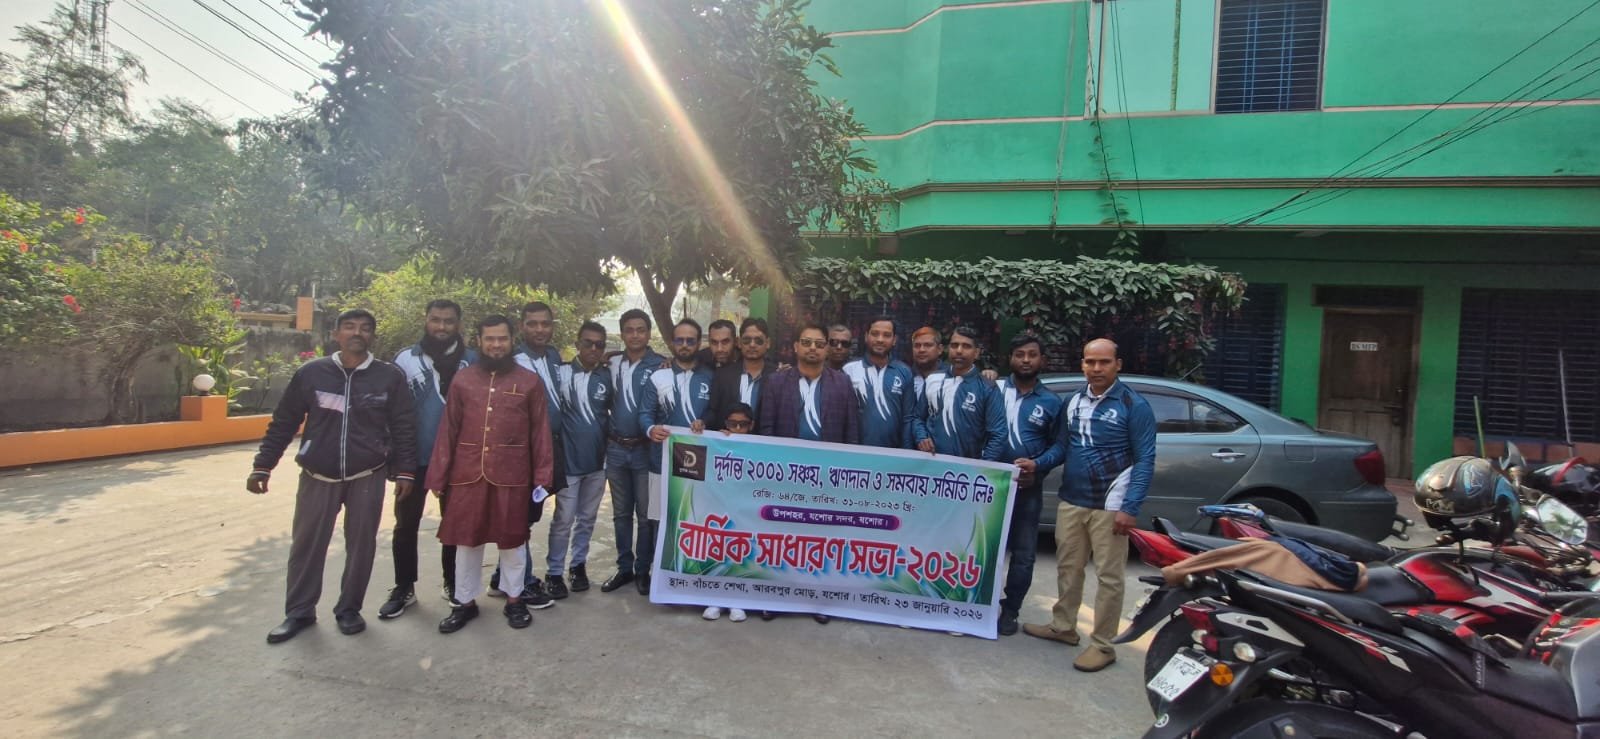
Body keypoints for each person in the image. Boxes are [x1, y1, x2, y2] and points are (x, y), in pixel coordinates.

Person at [249, 309, 417, 644]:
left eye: (365, 328)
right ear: (335, 334)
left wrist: (406, 471)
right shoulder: (312, 373)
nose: (357, 333)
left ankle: (349, 609)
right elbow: (284, 421)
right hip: (318, 473)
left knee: (361, 546)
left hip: (367, 473)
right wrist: (263, 464)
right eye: (349, 327)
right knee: (307, 545)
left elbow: (403, 426)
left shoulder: (389, 377)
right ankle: (299, 612)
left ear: (373, 336)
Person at [1023, 338, 1156, 672]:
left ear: (1117, 365)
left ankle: (1103, 645)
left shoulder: (1133, 405)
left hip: (1110, 505)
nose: (1096, 368)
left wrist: (1130, 507)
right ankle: (1064, 627)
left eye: (1104, 362)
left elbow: (1145, 460)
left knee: (1109, 577)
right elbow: (1062, 447)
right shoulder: (1074, 401)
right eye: (1090, 362)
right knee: (1068, 567)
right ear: (1082, 364)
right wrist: (1037, 464)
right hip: (1072, 500)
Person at [427, 315, 557, 633]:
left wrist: (543, 476)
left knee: (512, 541)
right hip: (467, 473)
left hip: (513, 474)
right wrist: (438, 475)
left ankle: (514, 600)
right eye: (490, 339)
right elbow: (448, 429)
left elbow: (540, 433)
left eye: (502, 339)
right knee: (466, 542)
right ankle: (464, 602)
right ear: (479, 341)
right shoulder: (463, 380)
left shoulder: (529, 382)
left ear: (512, 341)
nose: (496, 345)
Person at [380, 299, 475, 620]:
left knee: (454, 526)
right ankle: (403, 587)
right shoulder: (405, 359)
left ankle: (453, 583)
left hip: (458, 461)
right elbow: (392, 414)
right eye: (436, 320)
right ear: (426, 320)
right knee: (406, 525)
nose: (442, 327)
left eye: (449, 321)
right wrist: (398, 463)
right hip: (414, 460)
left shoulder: (473, 361)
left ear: (458, 324)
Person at [759, 323, 860, 624]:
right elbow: (766, 429)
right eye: (806, 342)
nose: (813, 348)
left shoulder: (842, 383)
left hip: (828, 477)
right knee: (782, 538)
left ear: (827, 348)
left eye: (819, 343)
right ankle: (775, 598)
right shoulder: (777, 382)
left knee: (821, 539)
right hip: (786, 474)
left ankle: (818, 600)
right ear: (796, 347)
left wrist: (848, 472)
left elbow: (852, 432)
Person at [994, 333, 1066, 636]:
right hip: (989, 488)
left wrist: (1038, 465)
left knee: (1023, 555)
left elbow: (1060, 446)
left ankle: (1010, 610)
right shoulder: (993, 390)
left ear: (1042, 360)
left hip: (1027, 489)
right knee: (982, 547)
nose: (1025, 360)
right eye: (1019, 354)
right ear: (1010, 358)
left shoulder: (1052, 402)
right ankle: (978, 604)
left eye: (1032, 355)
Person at [640, 318, 716, 595]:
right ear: (672, 343)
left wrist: (706, 422)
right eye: (680, 340)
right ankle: (659, 577)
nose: (685, 345)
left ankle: (691, 577)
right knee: (661, 520)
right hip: (661, 460)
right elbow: (645, 413)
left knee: (695, 519)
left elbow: (716, 411)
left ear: (698, 343)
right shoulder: (658, 376)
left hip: (700, 463)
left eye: (690, 340)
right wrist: (650, 429)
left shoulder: (711, 376)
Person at [545, 321, 612, 598]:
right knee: (563, 520)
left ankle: (578, 566)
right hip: (569, 464)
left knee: (587, 519)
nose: (594, 349)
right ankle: (554, 572)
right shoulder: (560, 374)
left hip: (598, 463)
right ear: (577, 344)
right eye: (588, 343)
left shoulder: (608, 376)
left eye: (599, 345)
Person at [503, 301, 564, 607]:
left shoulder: (553, 356)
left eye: (545, 323)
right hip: (521, 452)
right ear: (521, 326)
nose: (540, 329)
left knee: (531, 513)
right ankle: (523, 583)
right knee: (519, 517)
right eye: (532, 323)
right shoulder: (513, 362)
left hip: (549, 447)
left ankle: (502, 576)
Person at [601, 309, 666, 594]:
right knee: (620, 514)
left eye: (641, 329)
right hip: (615, 448)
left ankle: (643, 570)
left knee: (645, 515)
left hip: (644, 450)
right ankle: (624, 568)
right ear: (622, 333)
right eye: (629, 330)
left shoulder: (661, 365)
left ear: (649, 333)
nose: (635, 335)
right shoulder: (612, 363)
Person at [913, 326, 1005, 461]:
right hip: (931, 465)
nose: (959, 351)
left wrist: (984, 467)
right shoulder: (933, 379)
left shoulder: (987, 387)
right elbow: (917, 417)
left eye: (966, 346)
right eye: (954, 345)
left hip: (969, 468)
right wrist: (921, 437)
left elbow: (998, 434)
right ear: (948, 349)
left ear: (976, 353)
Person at [699, 401, 755, 623]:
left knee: (741, 553)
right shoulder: (718, 442)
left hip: (746, 512)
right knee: (718, 550)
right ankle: (715, 600)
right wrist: (717, 439)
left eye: (743, 425)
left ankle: (737, 601)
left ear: (752, 425)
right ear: (725, 423)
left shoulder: (760, 446)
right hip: (719, 510)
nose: (738, 429)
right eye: (733, 424)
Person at [842, 315, 916, 449]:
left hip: (892, 454)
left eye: (886, 335)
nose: (880, 339)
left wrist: (906, 453)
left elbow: (908, 418)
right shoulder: (849, 370)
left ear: (894, 340)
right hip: (854, 452)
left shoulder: (904, 372)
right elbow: (841, 415)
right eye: (875, 334)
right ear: (866, 337)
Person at [707, 317, 776, 431]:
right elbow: (713, 411)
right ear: (739, 343)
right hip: (729, 440)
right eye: (747, 340)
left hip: (764, 440)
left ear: (767, 343)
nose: (752, 345)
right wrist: (703, 423)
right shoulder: (723, 375)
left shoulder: (778, 377)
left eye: (758, 340)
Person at [909, 326, 949, 403]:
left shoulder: (951, 377)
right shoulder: (906, 377)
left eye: (928, 345)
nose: (921, 350)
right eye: (917, 345)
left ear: (940, 349)